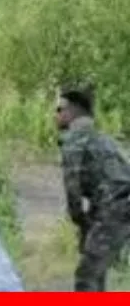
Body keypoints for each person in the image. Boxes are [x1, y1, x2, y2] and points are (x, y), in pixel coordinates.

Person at [54, 82, 130, 291]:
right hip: (118, 206)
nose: (56, 115)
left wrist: (81, 220)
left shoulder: (74, 141)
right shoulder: (103, 139)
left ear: (71, 112)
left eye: (59, 109)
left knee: (86, 276)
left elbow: (73, 191)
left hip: (115, 207)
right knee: (96, 271)